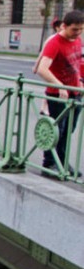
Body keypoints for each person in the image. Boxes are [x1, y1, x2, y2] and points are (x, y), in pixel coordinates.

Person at [35, 10, 84, 178]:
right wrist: (59, 85)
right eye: (74, 29)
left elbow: (76, 65)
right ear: (64, 26)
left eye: (81, 29)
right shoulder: (55, 43)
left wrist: (80, 83)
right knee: (57, 130)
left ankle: (61, 162)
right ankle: (49, 163)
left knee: (68, 130)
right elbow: (42, 69)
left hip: (75, 93)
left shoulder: (77, 40)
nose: (77, 33)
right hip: (58, 94)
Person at [33, 19, 63, 115]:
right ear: (57, 28)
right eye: (62, 26)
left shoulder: (62, 38)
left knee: (51, 87)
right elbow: (42, 53)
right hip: (50, 67)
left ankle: (45, 107)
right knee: (51, 88)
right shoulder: (52, 39)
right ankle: (45, 107)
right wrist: (36, 66)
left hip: (56, 67)